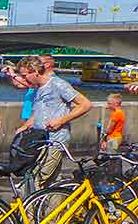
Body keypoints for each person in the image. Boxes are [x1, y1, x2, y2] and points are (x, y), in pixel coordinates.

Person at [15, 55, 92, 189]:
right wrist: (25, 126)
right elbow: (38, 113)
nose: (23, 79)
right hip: (41, 140)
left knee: (37, 179)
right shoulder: (38, 88)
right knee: (53, 180)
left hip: (55, 140)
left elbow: (85, 104)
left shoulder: (58, 84)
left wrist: (60, 121)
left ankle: (32, 209)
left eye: (24, 75)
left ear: (35, 71)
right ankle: (55, 209)